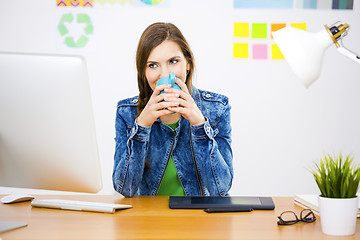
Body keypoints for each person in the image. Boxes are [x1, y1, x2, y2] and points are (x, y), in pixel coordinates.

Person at [113, 22, 233, 197]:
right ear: (143, 72)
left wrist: (199, 125)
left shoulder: (217, 108)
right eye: (153, 65)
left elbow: (220, 189)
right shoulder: (127, 112)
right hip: (149, 220)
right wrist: (142, 127)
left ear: (188, 64)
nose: (164, 75)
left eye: (173, 61)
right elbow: (125, 189)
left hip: (201, 219)